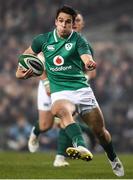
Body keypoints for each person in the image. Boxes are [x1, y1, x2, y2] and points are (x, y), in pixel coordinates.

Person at [16, 5, 124, 177]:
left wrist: (89, 63)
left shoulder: (80, 41)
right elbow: (23, 61)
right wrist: (22, 74)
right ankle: (79, 145)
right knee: (61, 111)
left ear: (73, 24)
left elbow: (87, 58)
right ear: (55, 22)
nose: (64, 25)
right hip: (59, 91)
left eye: (68, 22)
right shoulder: (42, 40)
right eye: (61, 21)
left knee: (100, 133)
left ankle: (112, 158)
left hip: (82, 90)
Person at [28, 12, 96, 167]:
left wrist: (81, 82)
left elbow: (91, 70)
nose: (74, 24)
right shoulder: (52, 40)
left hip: (70, 88)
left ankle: (60, 158)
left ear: (81, 24)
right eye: (73, 21)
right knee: (46, 125)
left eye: (77, 21)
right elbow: (39, 63)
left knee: (66, 119)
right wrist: (46, 83)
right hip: (49, 84)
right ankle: (36, 131)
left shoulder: (84, 44)